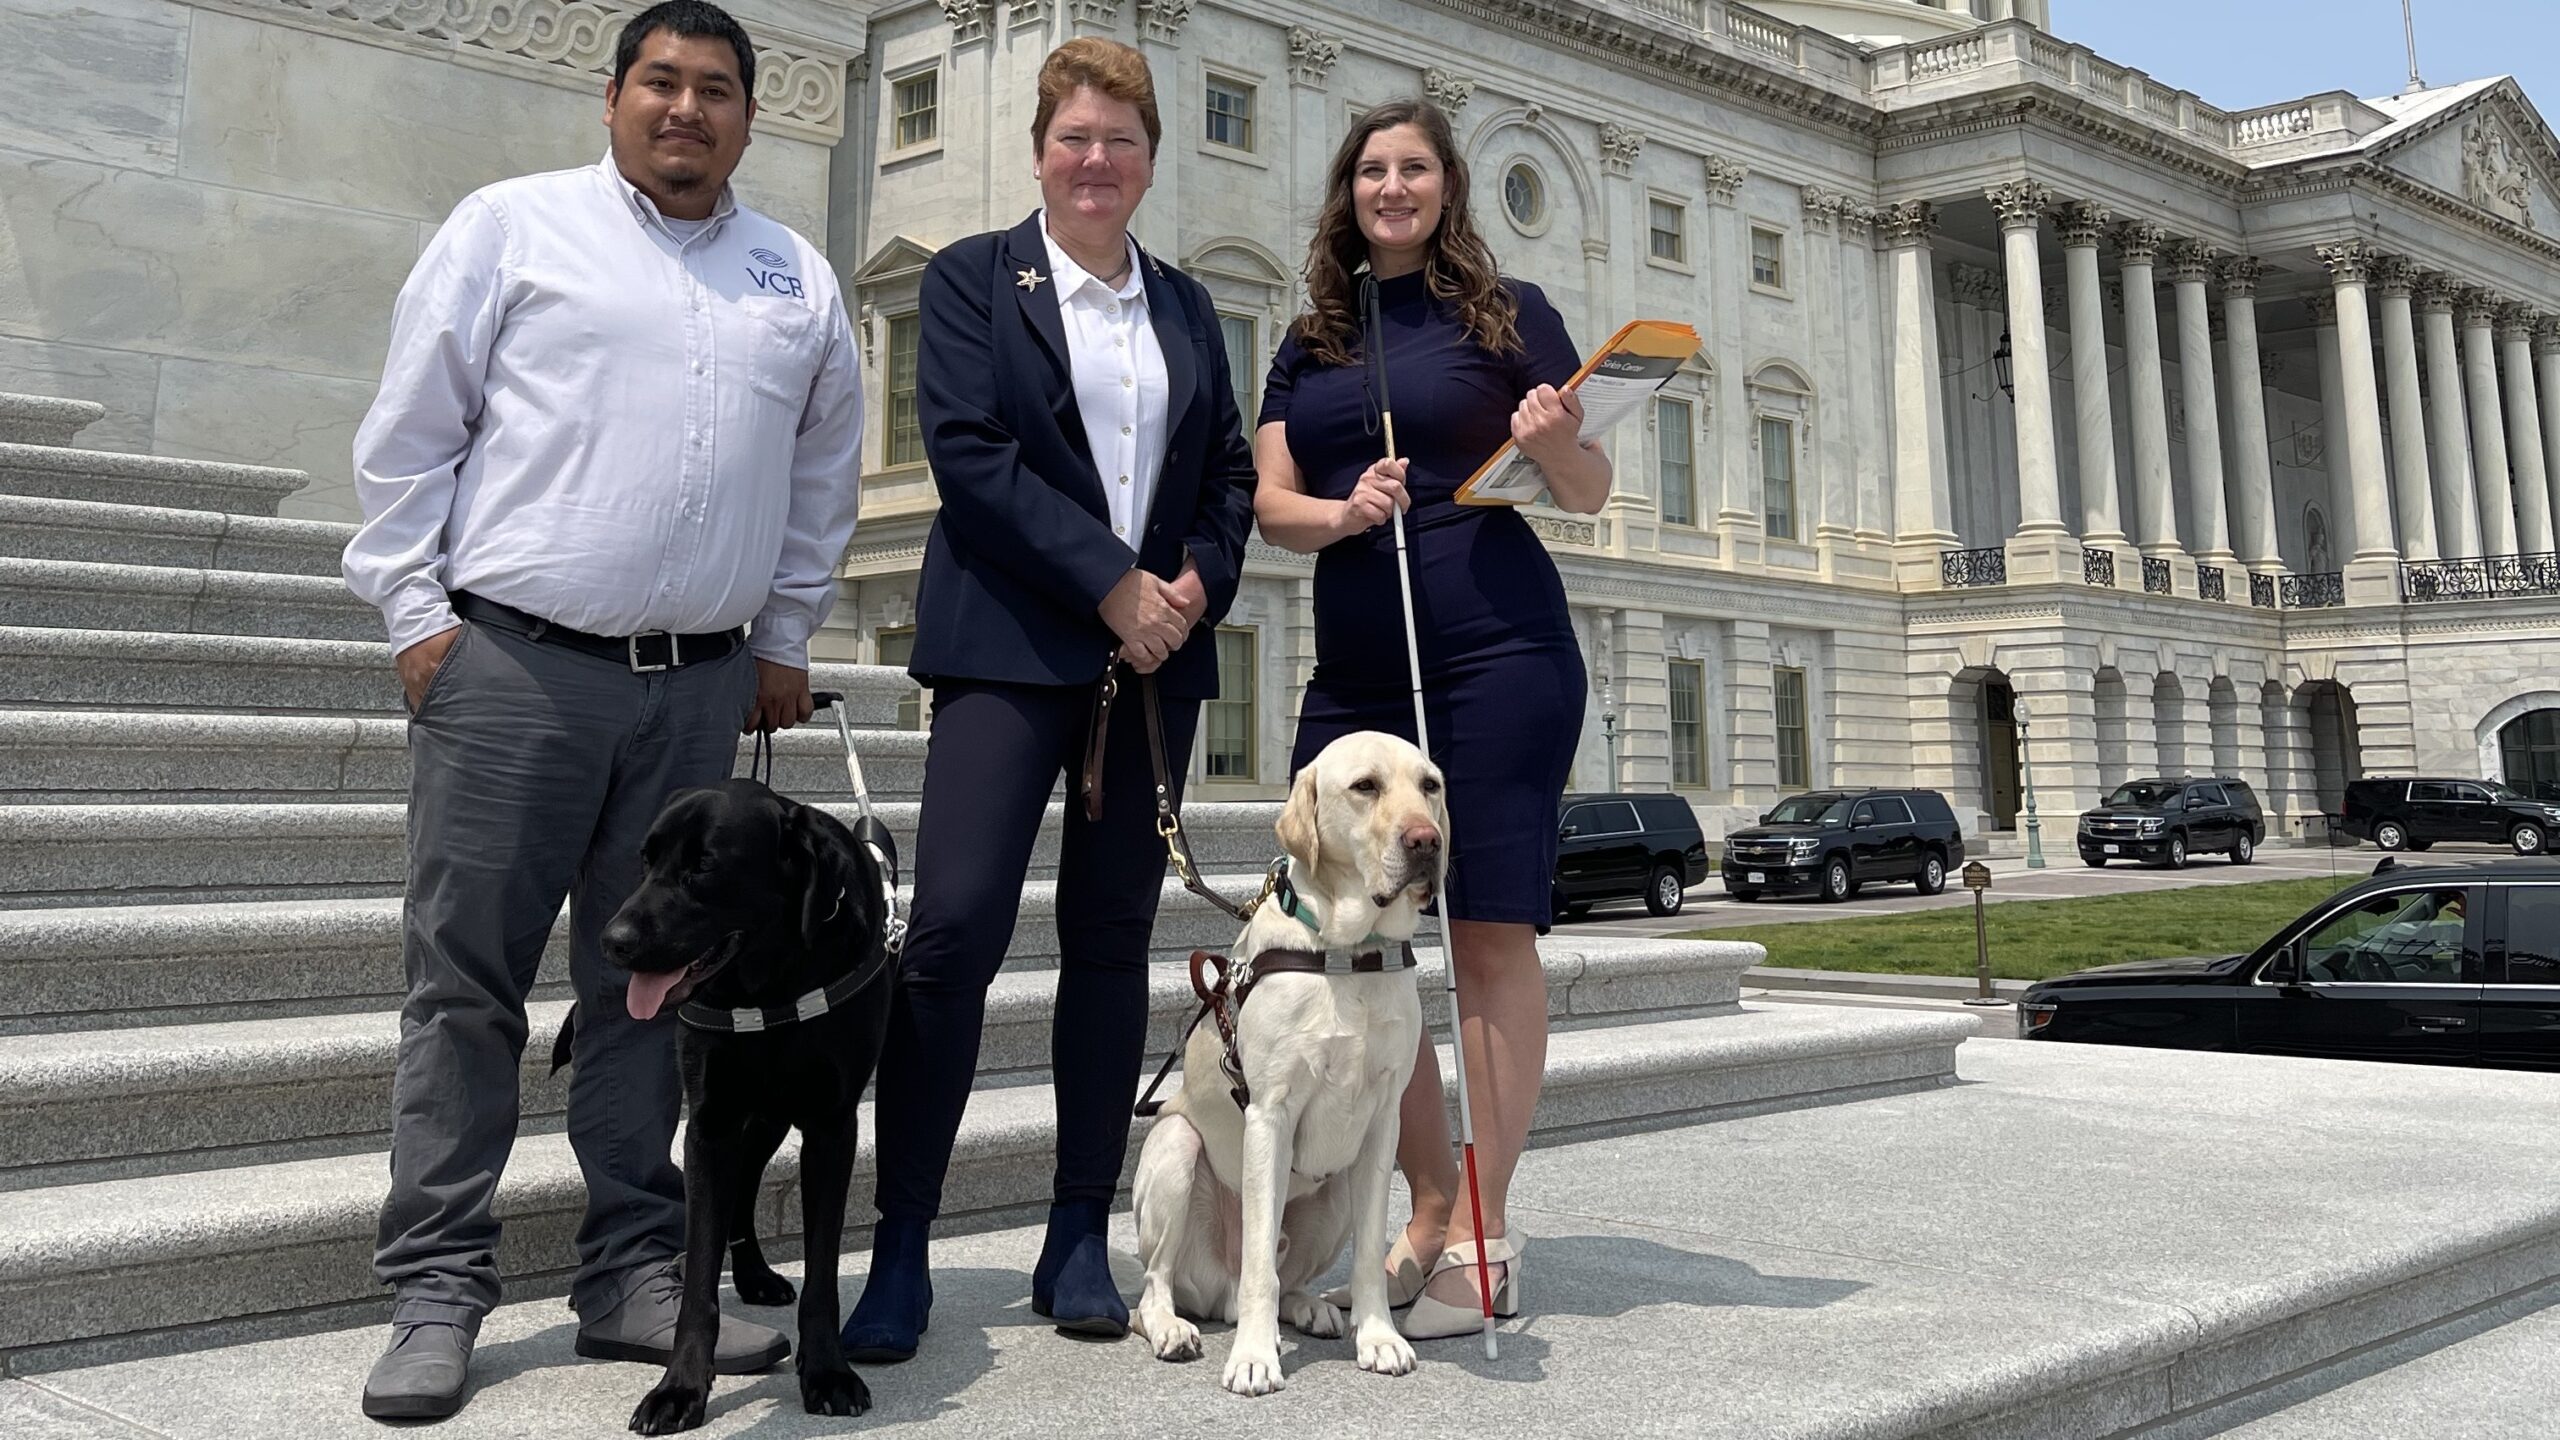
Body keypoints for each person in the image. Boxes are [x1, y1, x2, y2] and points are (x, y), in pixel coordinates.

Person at [339, 0, 864, 1419]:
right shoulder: (511, 229)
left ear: (751, 115)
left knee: (658, 1000)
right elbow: (410, 432)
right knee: (467, 986)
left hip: (697, 687)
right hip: (512, 668)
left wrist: (785, 632)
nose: (685, 109)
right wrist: (418, 625)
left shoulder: (792, 277)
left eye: (714, 90)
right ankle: (439, 1286)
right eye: (660, 83)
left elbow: (823, 475)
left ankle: (635, 1270)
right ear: (615, 96)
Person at [839, 37, 1256, 1361]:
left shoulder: (1187, 306)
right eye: (1074, 137)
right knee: (954, 933)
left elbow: (1229, 475)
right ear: (1040, 150)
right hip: (1008, 650)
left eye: (1120, 141)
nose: (1095, 161)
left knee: (1110, 935)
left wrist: (1191, 582)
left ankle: (1079, 1232)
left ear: (1148, 161)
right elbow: (971, 456)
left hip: (1150, 673)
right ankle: (902, 1242)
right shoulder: (973, 281)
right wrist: (1112, 586)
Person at [1251, 98, 1609, 1340]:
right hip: (1358, 672)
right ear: (1346, 192)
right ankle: (1413, 1209)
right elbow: (1270, 507)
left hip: (1497, 650)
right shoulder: (1309, 340)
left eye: (1412, 169)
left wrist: (1554, 437)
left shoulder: (1507, 316)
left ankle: (1479, 1228)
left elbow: (1586, 492)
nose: (1390, 188)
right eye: (1369, 171)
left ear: (1447, 186)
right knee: (1359, 944)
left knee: (1487, 939)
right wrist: (1345, 512)